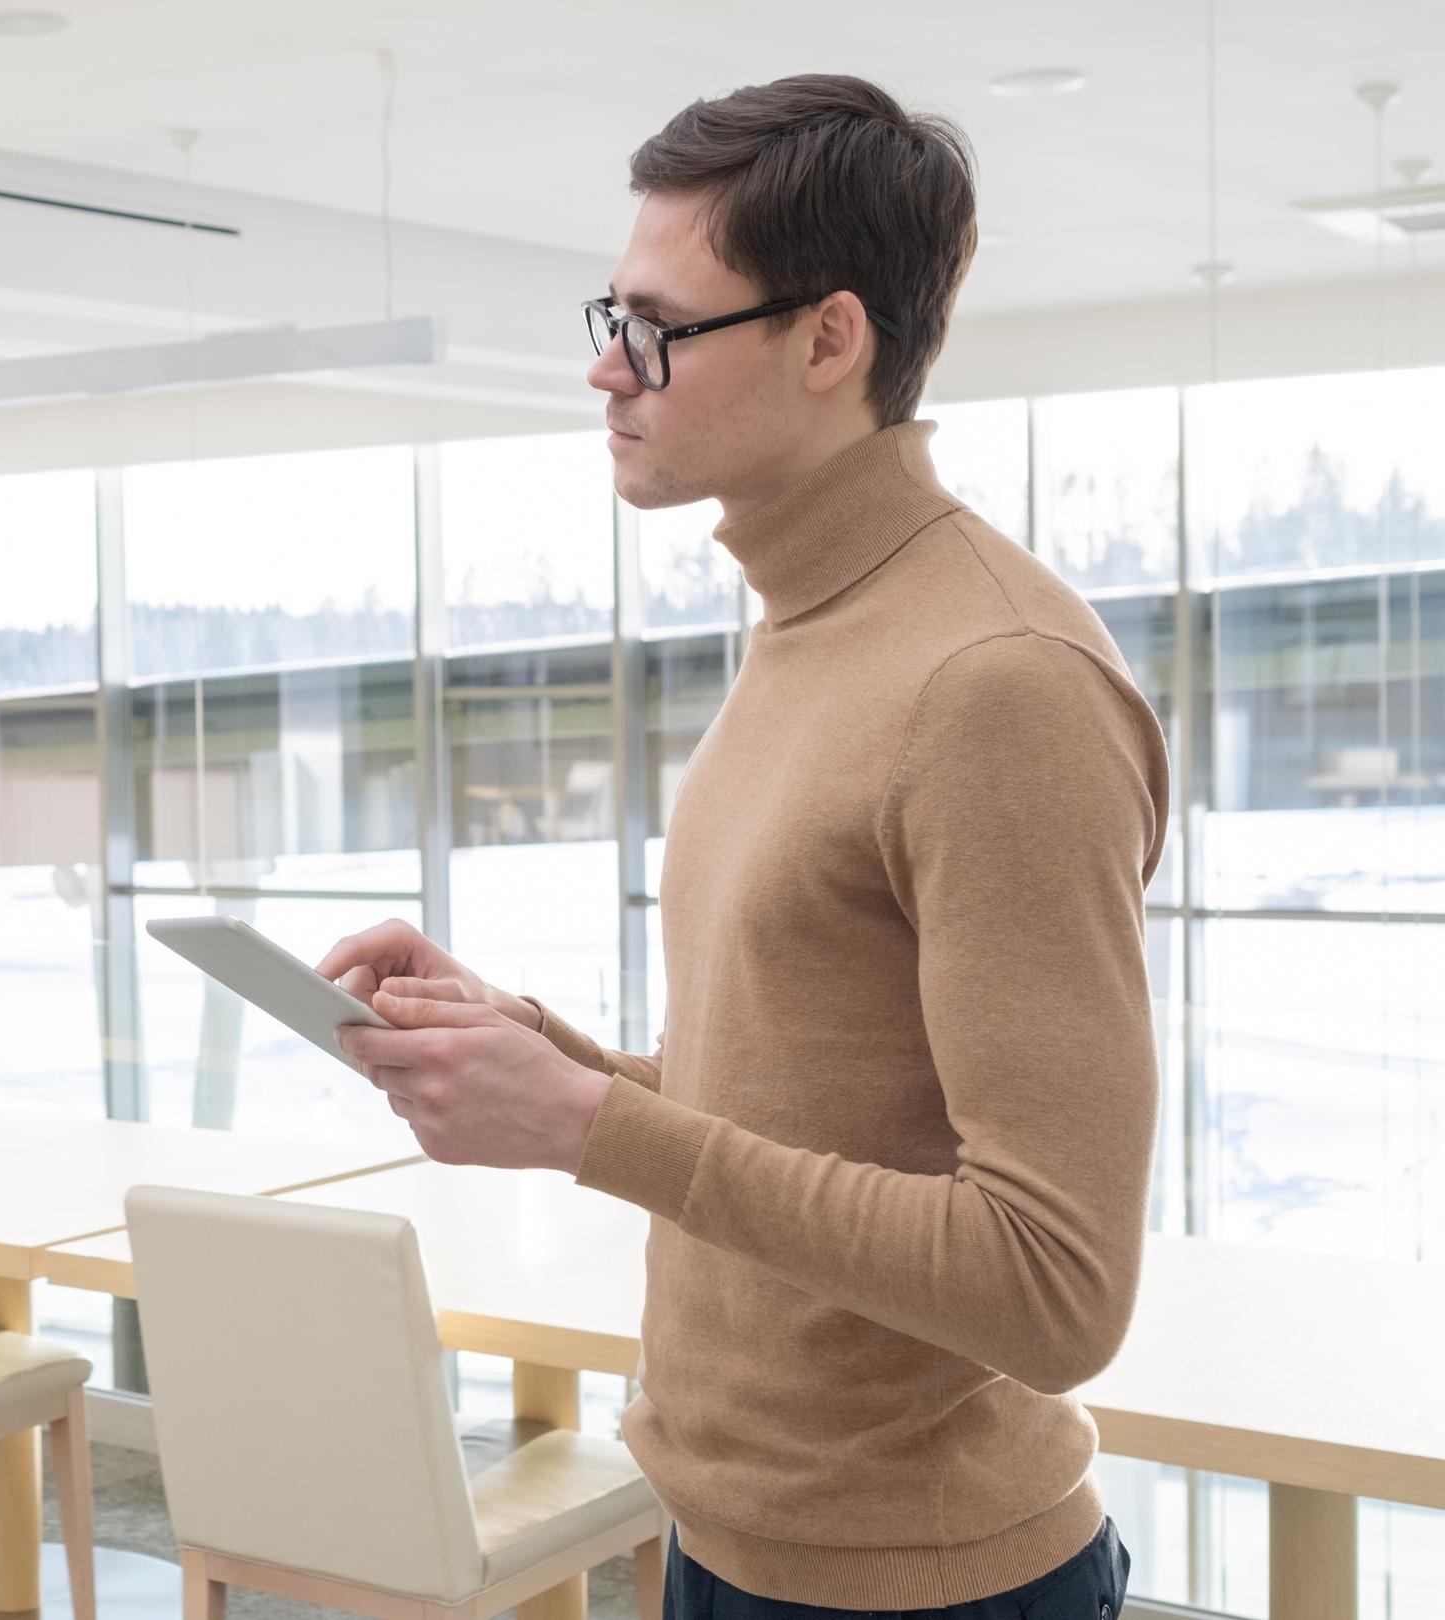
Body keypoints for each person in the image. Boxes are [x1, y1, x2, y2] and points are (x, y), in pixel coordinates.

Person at [317, 75, 1165, 1619]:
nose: (603, 368)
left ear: (829, 339)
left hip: (925, 1586)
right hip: (724, 1538)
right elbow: (797, 1102)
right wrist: (542, 1056)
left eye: (655, 326)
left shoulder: (997, 682)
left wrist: (589, 1127)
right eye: (609, 314)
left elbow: (1055, 1286)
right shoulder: (814, 631)